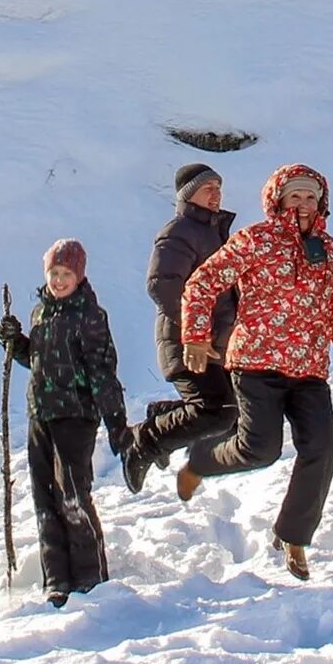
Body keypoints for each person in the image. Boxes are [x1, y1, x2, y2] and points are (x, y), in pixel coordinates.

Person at [176, 163, 333, 581]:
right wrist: (195, 336)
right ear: (279, 200)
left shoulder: (331, 251)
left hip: (309, 370)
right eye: (295, 196)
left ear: (322, 205)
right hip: (255, 365)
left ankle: (294, 536)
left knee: (323, 448)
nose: (302, 204)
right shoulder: (255, 241)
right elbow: (202, 282)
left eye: (310, 198)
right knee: (260, 450)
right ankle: (200, 462)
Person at [0, 240, 129, 606]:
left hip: (76, 414)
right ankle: (55, 577)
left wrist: (115, 420)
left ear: (79, 275)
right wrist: (16, 342)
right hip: (41, 413)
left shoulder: (90, 315)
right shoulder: (42, 312)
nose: (58, 280)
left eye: (66, 274)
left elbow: (102, 371)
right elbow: (39, 359)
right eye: (54, 273)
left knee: (71, 494)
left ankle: (90, 576)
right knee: (44, 498)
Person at [123, 163, 239, 495]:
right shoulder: (179, 231)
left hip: (214, 345)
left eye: (219, 187)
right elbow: (162, 285)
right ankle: (144, 440)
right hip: (185, 342)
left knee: (230, 414)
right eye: (208, 188)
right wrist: (196, 334)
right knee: (218, 412)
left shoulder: (214, 233)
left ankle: (161, 416)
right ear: (189, 195)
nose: (216, 193)